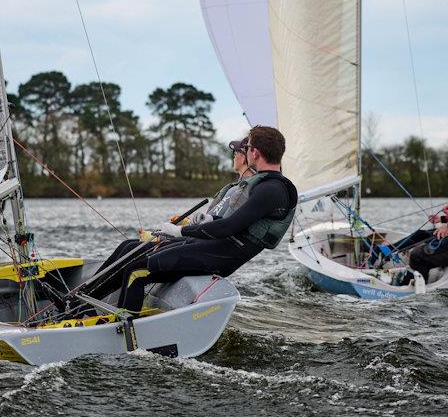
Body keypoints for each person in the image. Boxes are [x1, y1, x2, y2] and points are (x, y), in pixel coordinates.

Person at [92, 126, 298, 314]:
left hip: (222, 256)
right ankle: (84, 304)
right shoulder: (267, 185)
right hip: (214, 247)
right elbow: (232, 221)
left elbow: (229, 227)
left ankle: (125, 329)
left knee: (136, 272)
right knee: (133, 252)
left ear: (255, 153)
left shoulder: (271, 189)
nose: (246, 150)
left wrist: (180, 231)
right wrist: (208, 219)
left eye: (249, 147)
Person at [85, 137, 257, 306]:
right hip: (194, 240)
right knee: (128, 246)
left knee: (133, 260)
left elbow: (225, 227)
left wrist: (179, 233)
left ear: (246, 156)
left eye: (236, 152)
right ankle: (85, 295)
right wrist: (187, 223)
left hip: (202, 248)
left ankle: (87, 303)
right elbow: (214, 221)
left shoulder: (246, 191)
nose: (233, 155)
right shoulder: (234, 188)